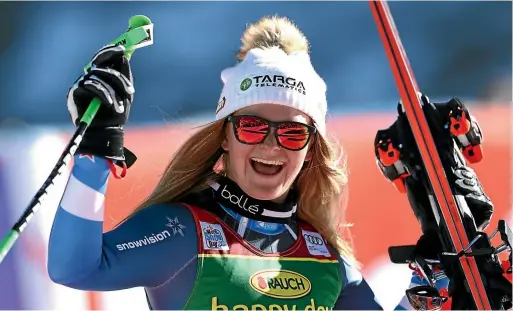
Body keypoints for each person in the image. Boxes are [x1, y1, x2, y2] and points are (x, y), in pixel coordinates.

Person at [47, 15, 495, 310]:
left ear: (311, 150)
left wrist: (438, 287)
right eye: (252, 127)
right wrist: (94, 154)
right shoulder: (185, 232)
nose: (272, 146)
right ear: (224, 135)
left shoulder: (324, 257)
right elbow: (75, 267)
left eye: (293, 132)